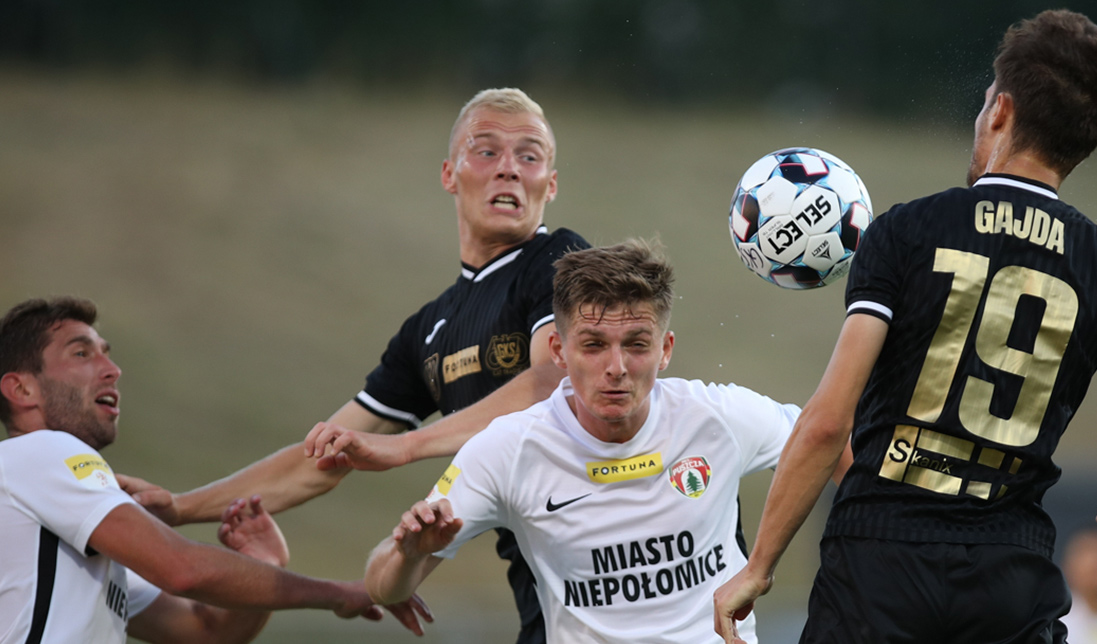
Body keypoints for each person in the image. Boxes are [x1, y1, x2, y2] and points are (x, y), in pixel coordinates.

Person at [714, 9, 1097, 643]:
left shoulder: (906, 230)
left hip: (879, 563)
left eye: (986, 101)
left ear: (1002, 111)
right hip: (1009, 577)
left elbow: (827, 423)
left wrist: (759, 568)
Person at [117, 88, 590, 642]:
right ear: (449, 173)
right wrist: (179, 507)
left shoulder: (560, 260)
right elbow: (320, 459)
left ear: (549, 184)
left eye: (529, 156)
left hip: (624, 570)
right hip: (549, 604)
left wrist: (406, 447)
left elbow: (552, 384)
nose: (508, 167)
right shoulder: (429, 330)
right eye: (486, 151)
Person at [364, 241, 846, 643]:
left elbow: (835, 447)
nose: (616, 368)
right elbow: (382, 586)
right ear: (559, 351)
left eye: (636, 344)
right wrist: (409, 554)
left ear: (665, 350)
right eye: (593, 345)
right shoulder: (508, 449)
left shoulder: (716, 416)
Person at [0, 297, 430, 643]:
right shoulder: (40, 451)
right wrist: (340, 593)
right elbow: (182, 569)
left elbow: (207, 631)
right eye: (81, 353)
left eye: (106, 356)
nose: (112, 371)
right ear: (21, 388)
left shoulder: (64, 523)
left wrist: (263, 564)